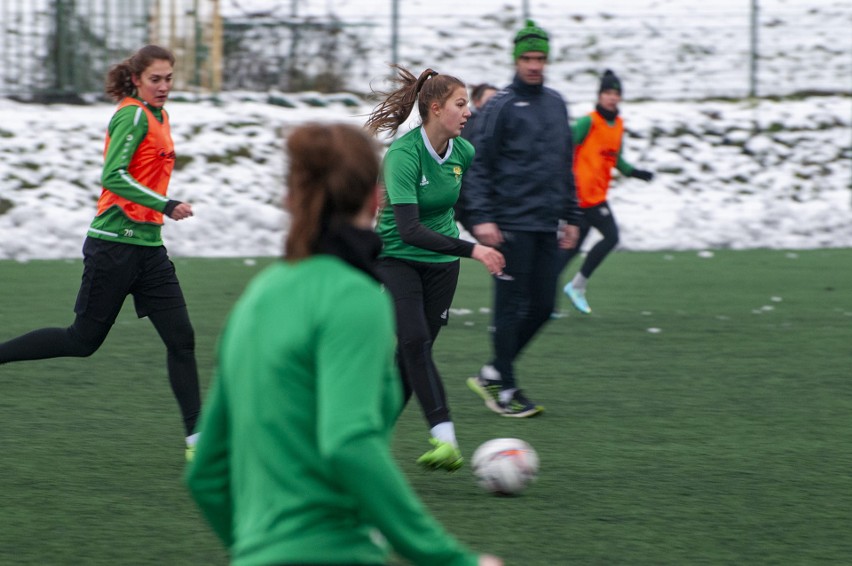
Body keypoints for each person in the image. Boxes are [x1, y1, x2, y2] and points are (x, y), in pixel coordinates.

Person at [185, 122, 502, 566]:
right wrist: (450, 559)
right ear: (376, 200)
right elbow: (349, 443)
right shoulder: (355, 297)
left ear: (291, 200)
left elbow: (206, 473)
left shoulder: (256, 298)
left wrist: (256, 549)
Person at [0, 45, 201, 457]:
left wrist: (157, 214)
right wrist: (164, 204)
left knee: (182, 340)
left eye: (168, 79)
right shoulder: (131, 114)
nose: (163, 87)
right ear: (137, 80)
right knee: (82, 340)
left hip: (148, 250)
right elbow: (113, 176)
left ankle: (197, 442)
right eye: (155, 79)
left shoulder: (160, 116)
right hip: (113, 248)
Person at [366, 66, 505, 471]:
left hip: (442, 265)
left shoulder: (464, 152)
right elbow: (409, 230)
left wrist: (482, 223)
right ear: (434, 107)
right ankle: (444, 436)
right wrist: (474, 249)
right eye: (460, 105)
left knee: (412, 355)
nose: (468, 113)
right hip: (396, 257)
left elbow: (454, 204)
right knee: (413, 343)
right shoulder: (403, 156)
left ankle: (369, 441)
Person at [463, 20, 581, 417]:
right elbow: (477, 166)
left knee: (544, 305)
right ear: (516, 60)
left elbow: (564, 164)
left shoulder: (556, 103)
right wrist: (481, 218)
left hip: (546, 224)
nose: (534, 65)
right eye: (527, 58)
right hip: (509, 224)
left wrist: (572, 215)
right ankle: (507, 390)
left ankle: (494, 370)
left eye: (540, 58)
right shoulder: (499, 106)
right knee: (510, 307)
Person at [558, 69, 655, 314]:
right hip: (581, 198)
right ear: (599, 95)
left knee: (570, 250)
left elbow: (617, 160)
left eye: (616, 93)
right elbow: (563, 147)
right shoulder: (588, 122)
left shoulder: (618, 125)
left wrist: (636, 173)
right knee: (610, 237)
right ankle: (573, 287)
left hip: (597, 197)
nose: (612, 97)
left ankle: (546, 294)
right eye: (607, 92)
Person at [455, 82, 499, 232]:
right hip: (462, 197)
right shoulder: (467, 125)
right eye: (490, 100)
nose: (494, 104)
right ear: (477, 102)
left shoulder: (497, 129)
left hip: (473, 199)